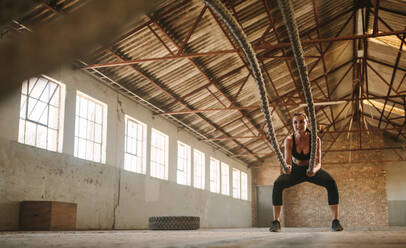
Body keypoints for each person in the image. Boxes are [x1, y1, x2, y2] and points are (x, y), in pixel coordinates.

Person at [269, 112, 343, 232]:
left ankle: (335, 221)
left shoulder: (315, 139)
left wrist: (313, 170)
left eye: (301, 121)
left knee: (330, 182)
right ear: (293, 125)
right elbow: (287, 161)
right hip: (295, 170)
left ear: (307, 123)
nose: (299, 124)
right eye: (295, 122)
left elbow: (318, 162)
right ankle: (276, 221)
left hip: (311, 168)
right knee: (278, 183)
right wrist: (286, 169)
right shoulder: (289, 140)